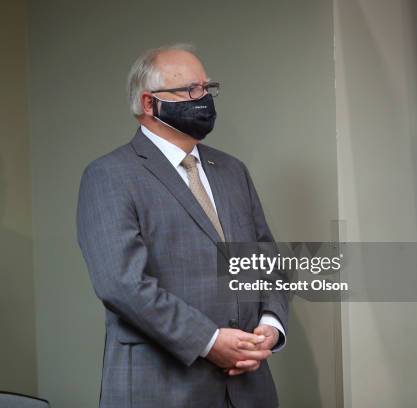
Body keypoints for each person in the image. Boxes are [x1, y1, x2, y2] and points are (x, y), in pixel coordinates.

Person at [77, 43, 289, 408]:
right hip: (161, 388)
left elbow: (265, 258)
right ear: (148, 104)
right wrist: (208, 340)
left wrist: (271, 323)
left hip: (248, 387)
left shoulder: (233, 170)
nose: (203, 99)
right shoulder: (109, 175)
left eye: (207, 88)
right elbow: (122, 283)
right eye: (190, 90)